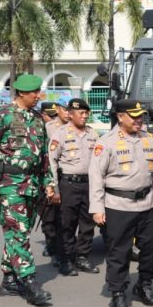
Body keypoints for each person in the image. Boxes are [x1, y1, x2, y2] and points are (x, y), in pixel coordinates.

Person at [89, 99, 153, 307]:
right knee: (119, 252)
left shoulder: (147, 138)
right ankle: (118, 293)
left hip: (146, 204)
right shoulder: (107, 142)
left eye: (140, 116)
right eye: (134, 116)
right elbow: (96, 176)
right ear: (120, 117)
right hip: (118, 205)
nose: (139, 120)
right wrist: (97, 208)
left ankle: (144, 284)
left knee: (151, 248)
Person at [0, 73, 54, 306]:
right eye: (34, 92)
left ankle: (9, 280)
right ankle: (29, 282)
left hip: (32, 184)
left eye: (38, 91)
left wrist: (48, 182)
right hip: (9, 185)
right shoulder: (1, 115)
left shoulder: (38, 118)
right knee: (19, 232)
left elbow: (44, 154)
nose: (38, 96)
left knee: (18, 233)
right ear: (21, 93)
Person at [48, 98, 99, 277]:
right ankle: (66, 259)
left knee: (88, 223)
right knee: (66, 224)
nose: (85, 116)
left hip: (89, 184)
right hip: (68, 184)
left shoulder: (93, 133)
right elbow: (52, 162)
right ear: (70, 114)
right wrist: (54, 188)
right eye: (81, 113)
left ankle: (82, 257)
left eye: (86, 113)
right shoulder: (60, 134)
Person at [41, 97, 70, 265]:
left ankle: (65, 249)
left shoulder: (76, 127)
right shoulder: (48, 127)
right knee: (49, 215)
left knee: (66, 218)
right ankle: (52, 245)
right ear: (58, 109)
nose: (67, 113)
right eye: (65, 109)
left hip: (68, 178)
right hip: (50, 175)